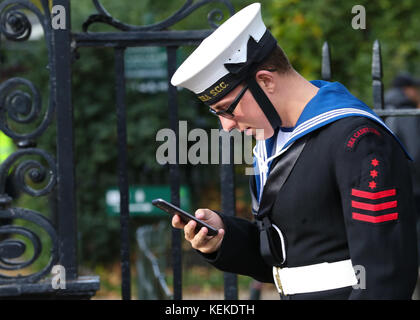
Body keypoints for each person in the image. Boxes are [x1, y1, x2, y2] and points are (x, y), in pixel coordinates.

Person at [170, 3, 418, 299]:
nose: (226, 126)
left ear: (265, 81)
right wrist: (223, 237)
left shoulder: (358, 139)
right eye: (216, 113)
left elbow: (385, 273)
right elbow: (290, 258)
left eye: (228, 109)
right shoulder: (274, 142)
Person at [384, 72, 420, 299]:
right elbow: (415, 153)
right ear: (408, 90)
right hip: (414, 190)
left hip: (390, 189)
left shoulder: (381, 111)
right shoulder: (409, 114)